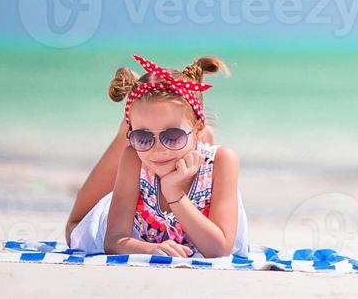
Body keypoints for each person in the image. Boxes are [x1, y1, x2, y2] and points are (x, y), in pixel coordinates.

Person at [64, 54, 246, 257]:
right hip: (126, 201)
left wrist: (173, 192)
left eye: (172, 135)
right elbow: (114, 242)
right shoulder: (133, 158)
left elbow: (219, 249)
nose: (158, 149)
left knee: (166, 139)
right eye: (143, 136)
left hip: (192, 145)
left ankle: (150, 118)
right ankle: (140, 122)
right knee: (73, 229)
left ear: (198, 128)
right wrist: (150, 249)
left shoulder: (223, 160)